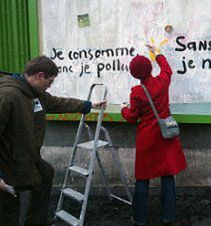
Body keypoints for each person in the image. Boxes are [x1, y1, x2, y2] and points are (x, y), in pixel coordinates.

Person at [0, 55, 106, 226]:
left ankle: (35, 222)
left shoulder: (34, 93)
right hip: (7, 165)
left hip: (25, 158)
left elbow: (58, 103)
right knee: (9, 209)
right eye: (50, 81)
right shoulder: (8, 95)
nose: (51, 85)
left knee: (45, 173)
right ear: (40, 75)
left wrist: (88, 105)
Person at [121, 45, 187, 225]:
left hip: (147, 139)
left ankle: (140, 218)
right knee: (167, 175)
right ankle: (168, 215)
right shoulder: (162, 82)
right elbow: (167, 69)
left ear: (134, 74)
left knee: (142, 178)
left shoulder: (137, 92)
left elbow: (132, 117)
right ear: (150, 69)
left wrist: (123, 109)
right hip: (165, 136)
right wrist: (157, 53)